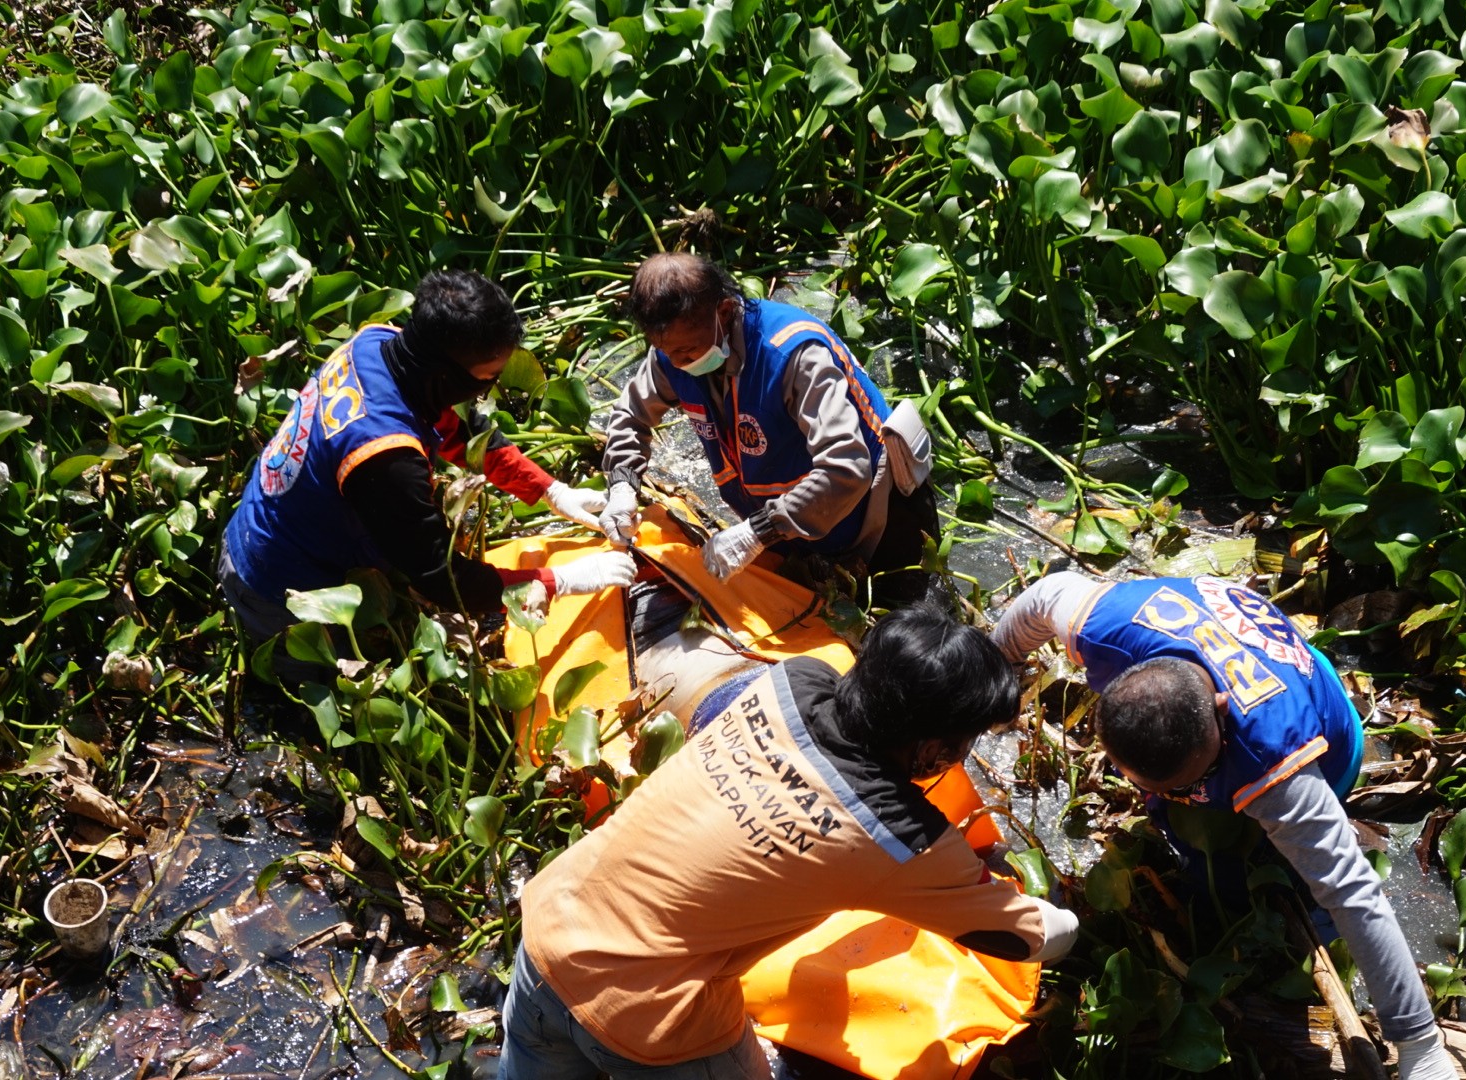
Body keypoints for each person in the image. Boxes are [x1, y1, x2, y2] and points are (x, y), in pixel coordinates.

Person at [502, 604, 1079, 1079]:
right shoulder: (901, 836)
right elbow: (1030, 939)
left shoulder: (788, 680)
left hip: (551, 926)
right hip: (649, 1015)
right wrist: (1063, 909)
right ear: (933, 752)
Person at [991, 572, 1460, 1080]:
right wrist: (997, 676)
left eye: (1192, 780)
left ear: (1219, 709)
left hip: (1321, 728)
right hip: (1234, 683)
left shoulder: (1275, 763)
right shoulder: (1105, 627)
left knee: (1266, 886)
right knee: (1189, 843)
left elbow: (1353, 891)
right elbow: (1046, 592)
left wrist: (1419, 1045)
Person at [220, 270, 635, 660]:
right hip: (275, 589)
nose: (490, 387)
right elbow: (441, 578)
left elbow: (460, 431)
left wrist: (550, 492)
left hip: (266, 526)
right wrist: (560, 581)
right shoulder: (387, 459)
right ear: (444, 376)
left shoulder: (376, 343)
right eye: (487, 377)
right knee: (350, 679)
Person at [598, 253, 939, 604]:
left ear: (725, 313)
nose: (680, 364)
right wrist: (623, 482)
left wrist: (757, 532)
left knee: (905, 630)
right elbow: (631, 413)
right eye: (667, 351)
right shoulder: (673, 354)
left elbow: (847, 468)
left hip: (880, 516)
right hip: (795, 525)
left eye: (688, 350)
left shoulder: (794, 355)